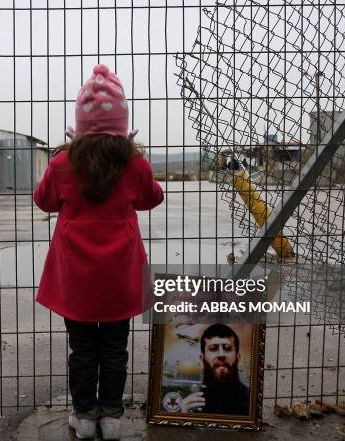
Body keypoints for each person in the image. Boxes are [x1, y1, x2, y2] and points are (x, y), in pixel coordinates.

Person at [34, 64, 164, 439]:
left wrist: (61, 158)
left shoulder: (62, 163)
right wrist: (138, 164)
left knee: (82, 350)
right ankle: (111, 416)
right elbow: (152, 197)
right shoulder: (133, 163)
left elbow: (44, 201)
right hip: (118, 278)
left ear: (79, 124)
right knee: (114, 349)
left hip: (75, 277)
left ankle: (84, 416)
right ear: (123, 124)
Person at [181, 324, 250, 415]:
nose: (221, 355)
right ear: (202, 358)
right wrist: (183, 417)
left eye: (228, 348)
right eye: (213, 348)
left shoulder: (250, 399)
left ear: (238, 357)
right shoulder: (190, 402)